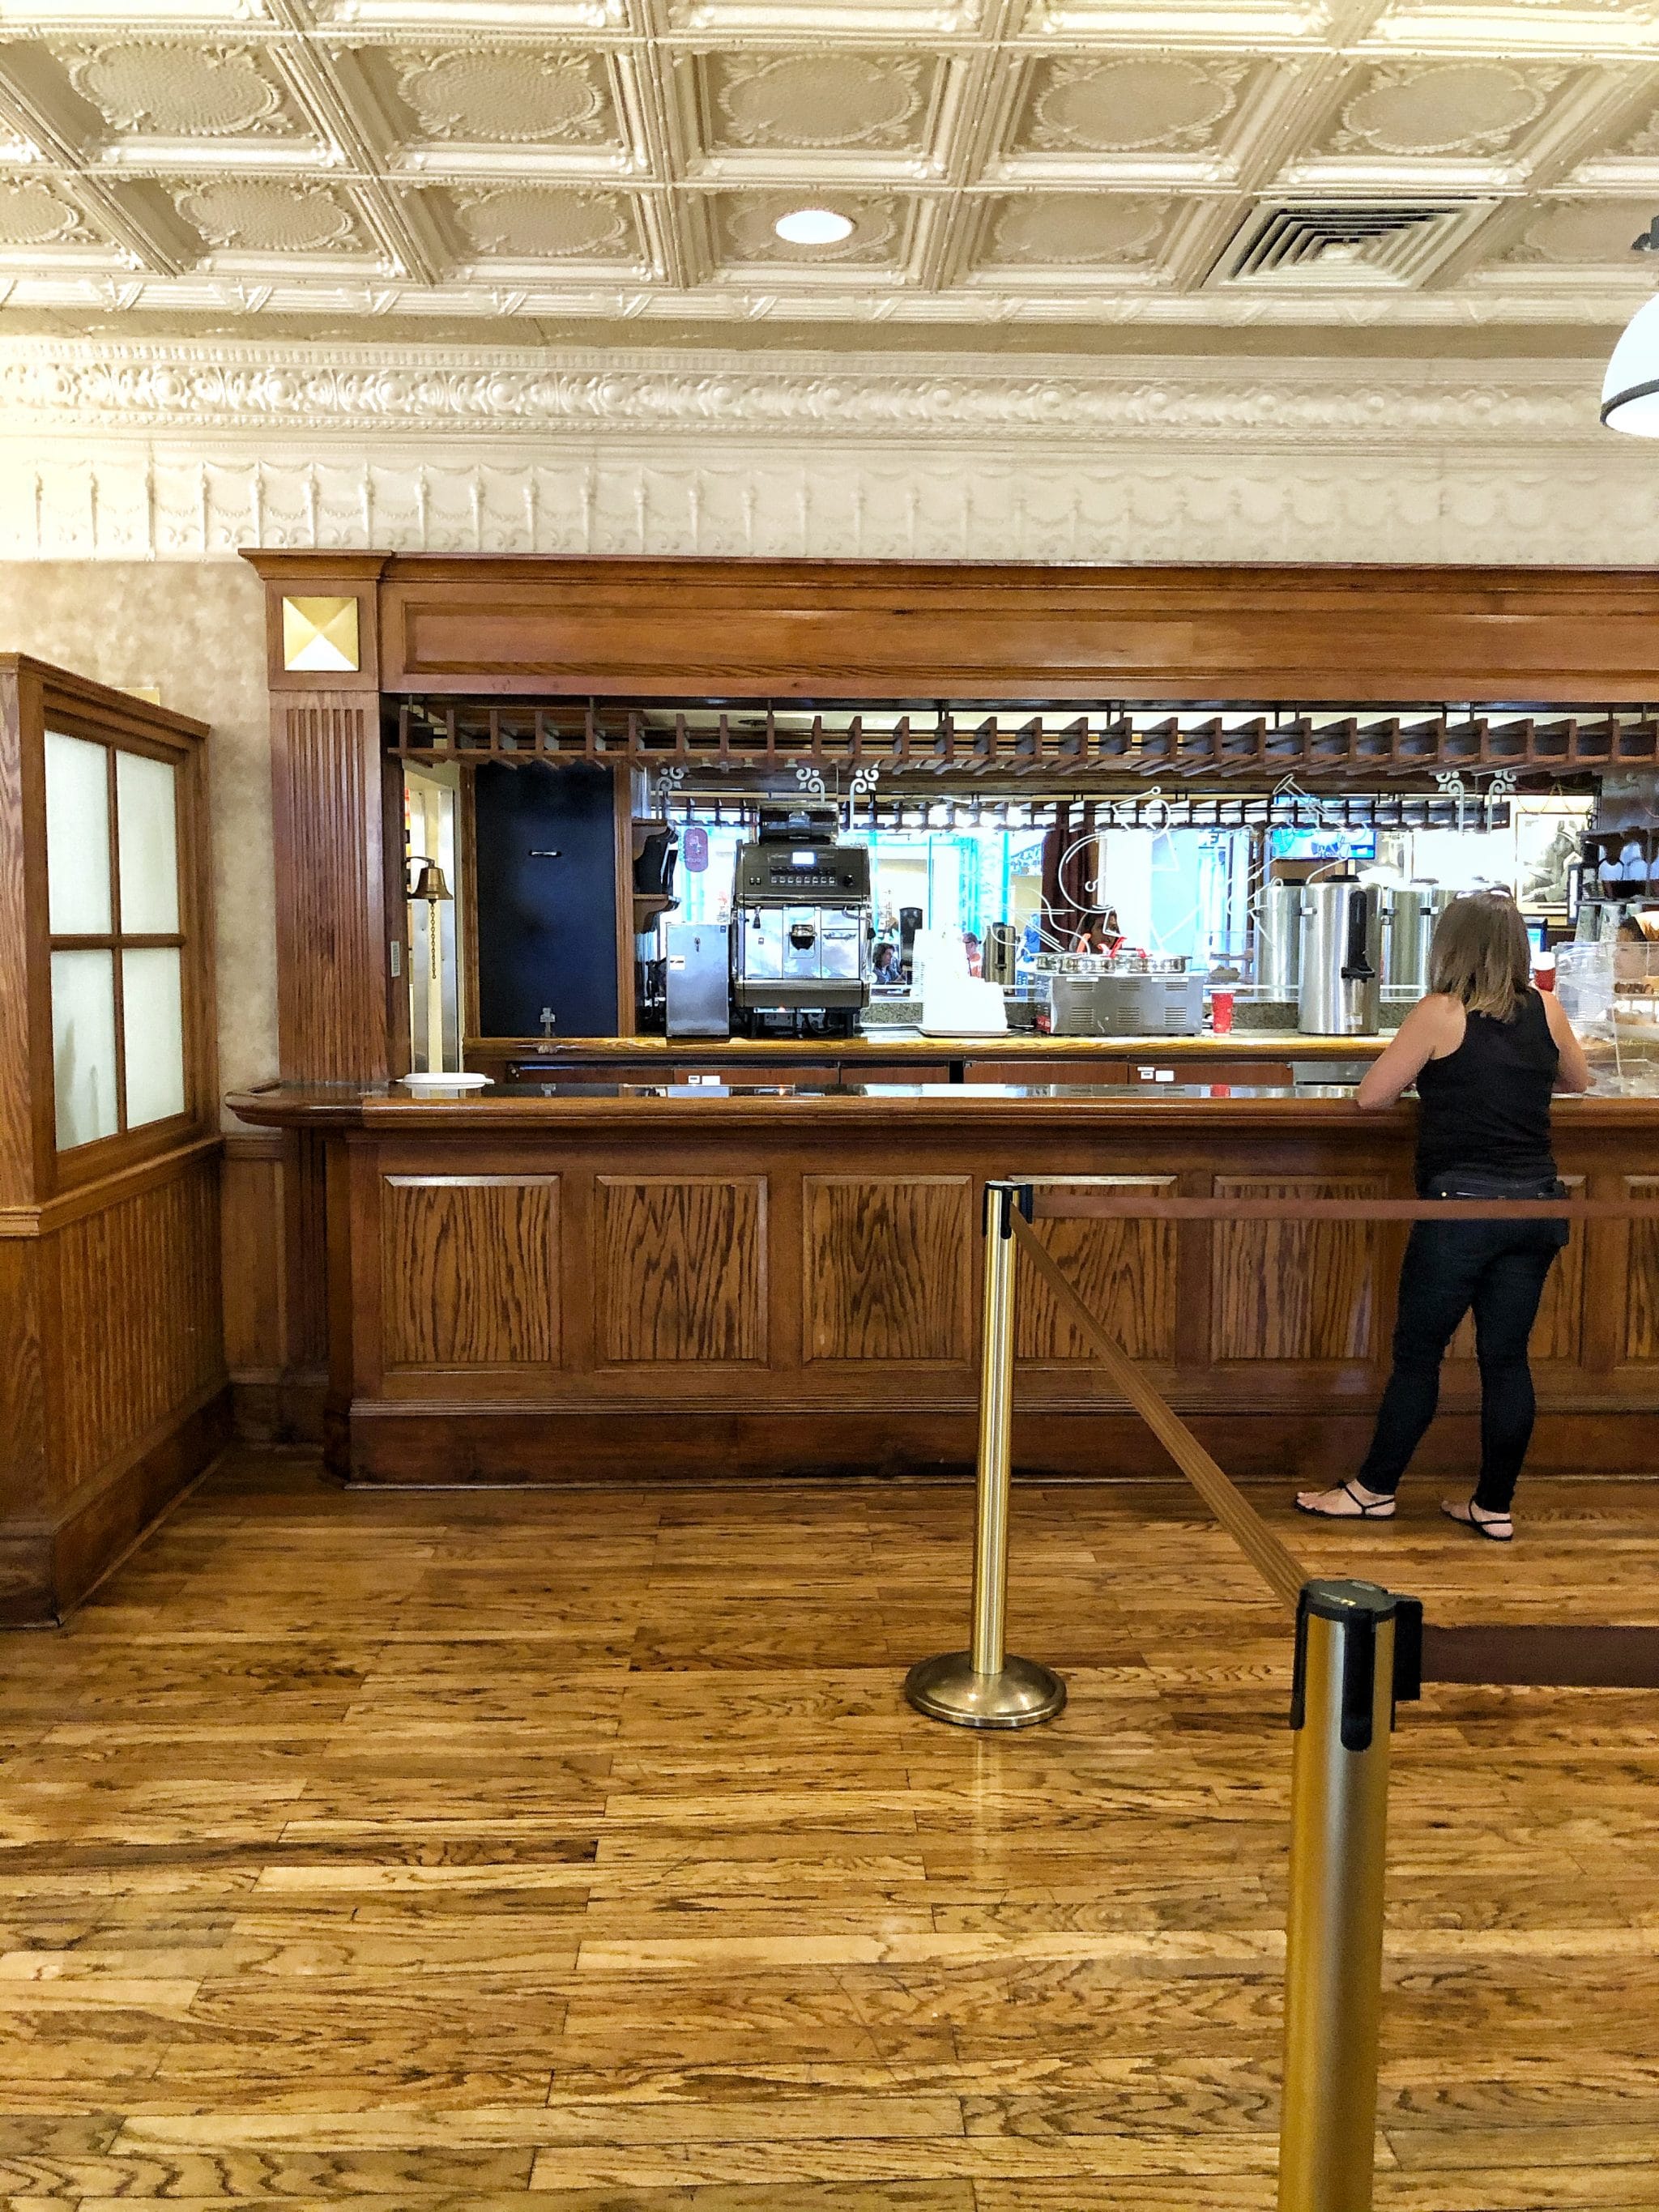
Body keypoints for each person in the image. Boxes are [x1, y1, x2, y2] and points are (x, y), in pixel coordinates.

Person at [1295, 892, 1591, 1541]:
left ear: (1448, 945)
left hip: (1461, 1210)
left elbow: (1372, 1097)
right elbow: (1580, 1079)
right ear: (1516, 945)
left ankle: (1373, 1490)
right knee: (1506, 1360)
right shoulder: (1546, 1007)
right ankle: (1494, 1505)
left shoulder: (1440, 1012)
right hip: (1537, 1204)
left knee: (1419, 1355)